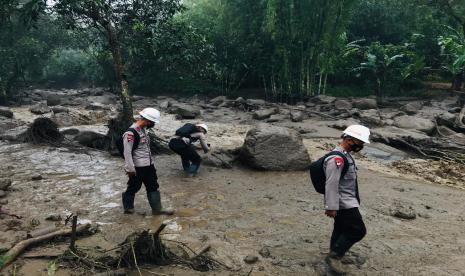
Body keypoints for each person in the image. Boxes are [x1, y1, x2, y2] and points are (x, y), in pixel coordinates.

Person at [323, 125, 369, 272]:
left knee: (341, 228)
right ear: (349, 140)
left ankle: (334, 252)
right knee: (358, 230)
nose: (361, 146)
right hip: (343, 203)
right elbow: (331, 183)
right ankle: (334, 257)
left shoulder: (346, 155)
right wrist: (331, 206)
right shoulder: (337, 158)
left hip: (347, 200)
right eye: (360, 142)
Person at [122, 107, 174, 215]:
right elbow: (127, 153)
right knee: (134, 187)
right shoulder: (130, 133)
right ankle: (128, 208)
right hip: (137, 167)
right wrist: (130, 169)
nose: (153, 124)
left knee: (153, 185)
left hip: (149, 165)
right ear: (147, 120)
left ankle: (157, 209)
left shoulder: (143, 130)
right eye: (153, 122)